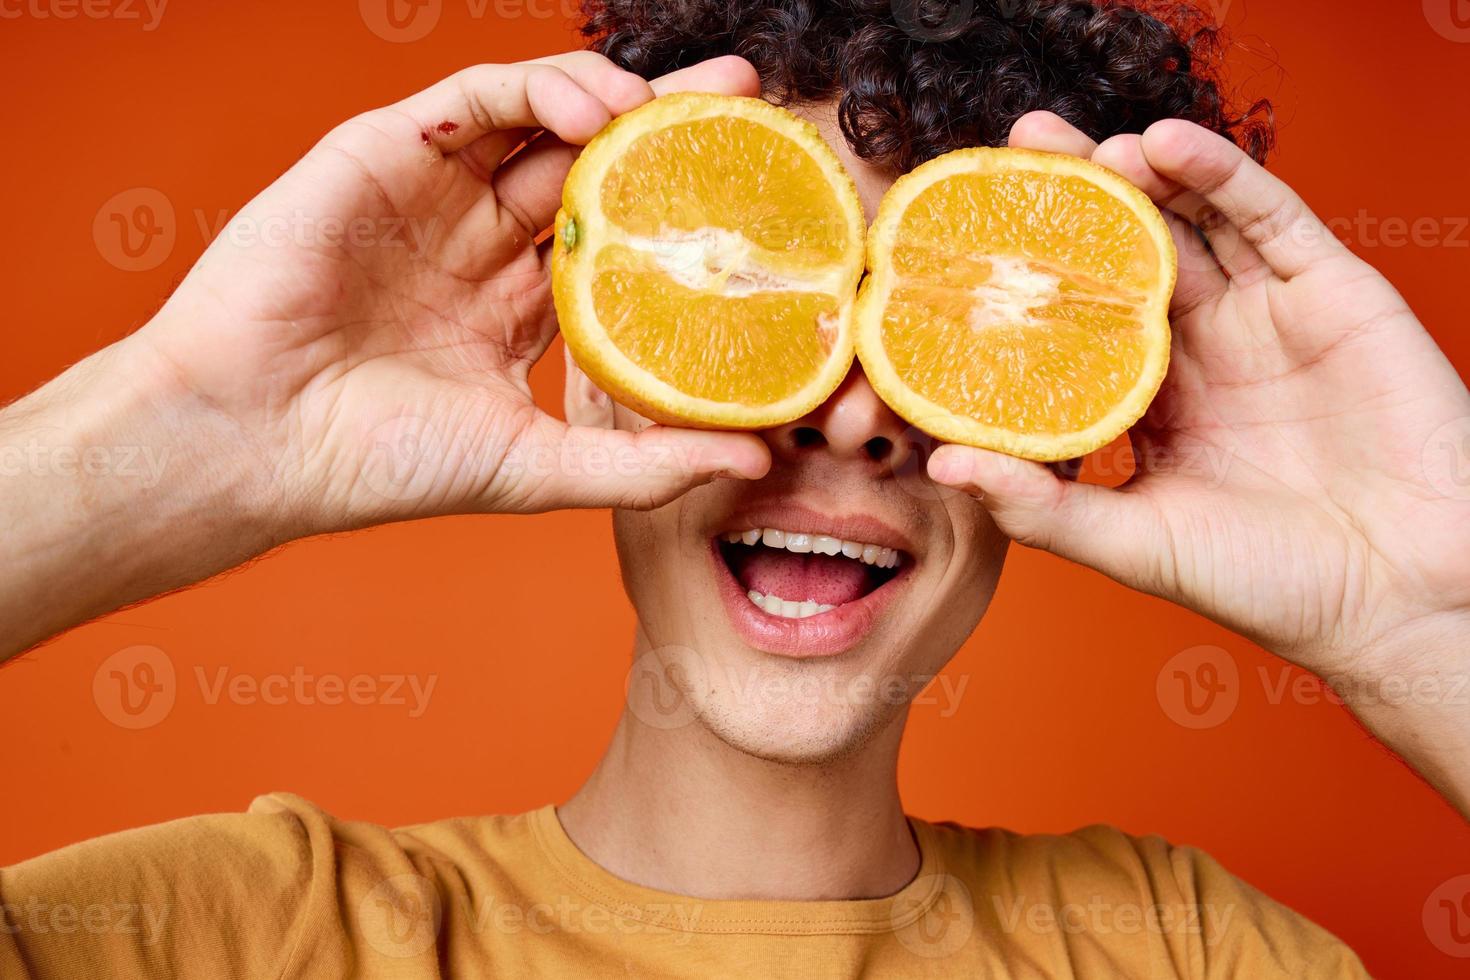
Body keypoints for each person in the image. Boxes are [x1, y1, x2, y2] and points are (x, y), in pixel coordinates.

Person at [2, 1, 1465, 975]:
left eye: (939, 336)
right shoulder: (230, 934)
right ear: (597, 370)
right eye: (763, 311)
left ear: (1070, 420)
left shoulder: (1176, 950)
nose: (846, 416)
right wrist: (176, 432)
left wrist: (1412, 621)